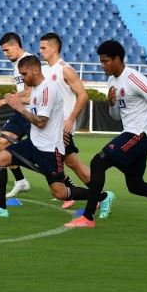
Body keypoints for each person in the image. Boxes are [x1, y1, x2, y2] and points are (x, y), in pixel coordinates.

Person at [65, 40, 147, 228]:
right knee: (136, 186)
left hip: (141, 134)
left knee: (98, 161)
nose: (103, 66)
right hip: (133, 134)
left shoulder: (133, 78)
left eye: (105, 61)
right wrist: (111, 103)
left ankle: (87, 217)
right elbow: (117, 116)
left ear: (117, 59)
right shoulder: (112, 81)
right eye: (101, 62)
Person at [0, 55, 90, 218]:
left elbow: (40, 122)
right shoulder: (37, 89)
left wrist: (19, 107)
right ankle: (0, 208)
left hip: (50, 150)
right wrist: (9, 101)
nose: (22, 78)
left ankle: (100, 195)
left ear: (35, 70)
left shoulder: (48, 90)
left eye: (24, 74)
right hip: (33, 144)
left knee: (60, 193)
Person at [39, 32, 91, 208]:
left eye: (43, 48)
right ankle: (79, 193)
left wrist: (70, 119)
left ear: (54, 48)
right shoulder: (44, 70)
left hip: (62, 127)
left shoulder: (65, 70)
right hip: (49, 127)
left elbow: (83, 95)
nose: (40, 51)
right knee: (64, 161)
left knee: (70, 162)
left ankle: (98, 195)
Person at [0, 32, 34, 198]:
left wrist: (3, 102)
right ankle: (21, 181)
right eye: (3, 51)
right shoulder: (17, 64)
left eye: (7, 50)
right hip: (20, 110)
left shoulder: (29, 61)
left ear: (16, 45)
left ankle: (65, 185)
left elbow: (30, 92)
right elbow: (23, 91)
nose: (5, 54)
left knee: (46, 153)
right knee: (2, 143)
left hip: (31, 111)